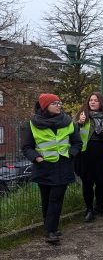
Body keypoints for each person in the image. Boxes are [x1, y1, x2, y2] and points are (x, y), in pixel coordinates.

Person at [22, 94, 83, 244]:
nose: (59, 105)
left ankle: (50, 231)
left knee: (56, 198)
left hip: (62, 166)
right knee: (46, 199)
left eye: (59, 102)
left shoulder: (68, 122)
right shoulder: (32, 123)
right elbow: (26, 147)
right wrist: (36, 158)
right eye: (54, 103)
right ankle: (51, 228)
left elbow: (77, 143)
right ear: (45, 106)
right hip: (43, 167)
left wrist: (70, 154)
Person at [75, 92, 103, 222]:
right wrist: (78, 124)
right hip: (86, 154)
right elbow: (72, 134)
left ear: (101, 103)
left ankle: (100, 206)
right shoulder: (82, 116)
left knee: (101, 182)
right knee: (87, 183)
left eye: (96, 100)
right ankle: (89, 209)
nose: (92, 102)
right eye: (90, 100)